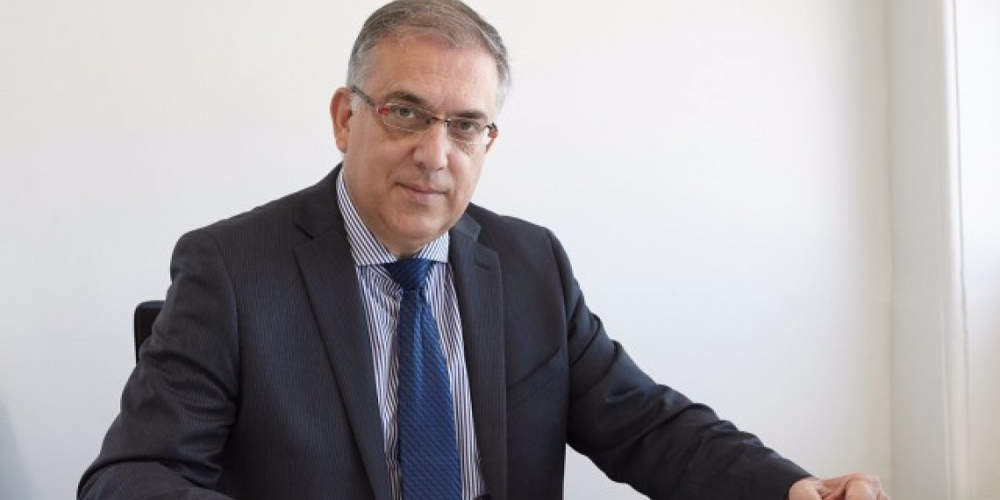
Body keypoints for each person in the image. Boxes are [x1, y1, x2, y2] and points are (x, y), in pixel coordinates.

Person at [79, 1, 889, 499]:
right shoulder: (232, 272)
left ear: (487, 141)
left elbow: (646, 426)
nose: (435, 154)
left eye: (465, 125)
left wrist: (789, 488)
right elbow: (130, 476)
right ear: (345, 118)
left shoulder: (531, 265)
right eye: (405, 112)